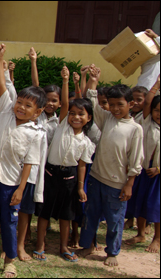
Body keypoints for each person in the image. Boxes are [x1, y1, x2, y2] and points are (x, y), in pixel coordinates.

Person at [0, 44, 46, 278]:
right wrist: (0, 59)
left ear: (37, 112)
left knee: (9, 221)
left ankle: (9, 261)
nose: (21, 108)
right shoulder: (5, 112)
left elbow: (30, 163)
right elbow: (3, 88)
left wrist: (21, 189)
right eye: (20, 103)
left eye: (28, 106)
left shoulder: (35, 133)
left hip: (12, 182)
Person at [77, 66, 144, 267]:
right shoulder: (107, 119)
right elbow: (94, 105)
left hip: (117, 184)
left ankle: (112, 252)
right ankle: (87, 244)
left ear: (130, 104)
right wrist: (94, 81)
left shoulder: (135, 129)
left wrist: (129, 183)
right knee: (91, 214)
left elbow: (135, 160)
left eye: (120, 105)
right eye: (112, 105)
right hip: (96, 178)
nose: (115, 109)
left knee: (114, 220)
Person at [33, 66, 95, 263]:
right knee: (45, 213)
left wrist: (80, 187)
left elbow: (82, 165)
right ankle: (40, 245)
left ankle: (63, 246)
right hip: (50, 174)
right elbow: (66, 103)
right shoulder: (62, 126)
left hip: (70, 178)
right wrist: (66, 81)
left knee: (66, 216)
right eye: (73, 113)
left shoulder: (86, 142)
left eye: (81, 114)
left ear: (89, 118)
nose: (76, 117)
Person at [124, 75, 160, 253]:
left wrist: (158, 168)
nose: (159, 114)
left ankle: (157, 238)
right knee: (141, 202)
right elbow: (147, 103)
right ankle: (140, 233)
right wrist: (157, 84)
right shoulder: (147, 123)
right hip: (144, 171)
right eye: (157, 110)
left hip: (158, 174)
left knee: (156, 206)